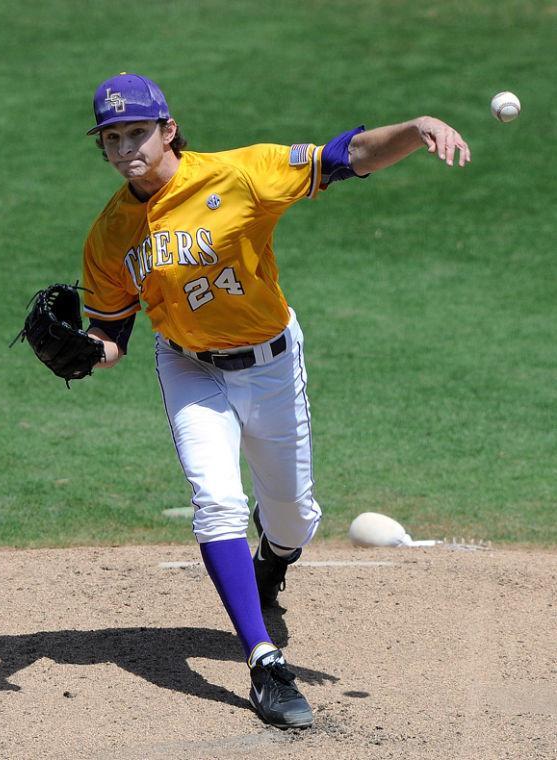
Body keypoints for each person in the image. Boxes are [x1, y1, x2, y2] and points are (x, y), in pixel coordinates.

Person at [81, 72, 470, 729]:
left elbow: (342, 157)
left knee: (291, 518)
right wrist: (81, 352)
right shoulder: (110, 234)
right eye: (112, 139)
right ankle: (263, 662)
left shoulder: (240, 175)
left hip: (268, 363)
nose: (126, 149)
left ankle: (273, 561)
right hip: (187, 367)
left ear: (168, 129)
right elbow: (111, 333)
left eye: (137, 133)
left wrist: (415, 128)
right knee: (217, 499)